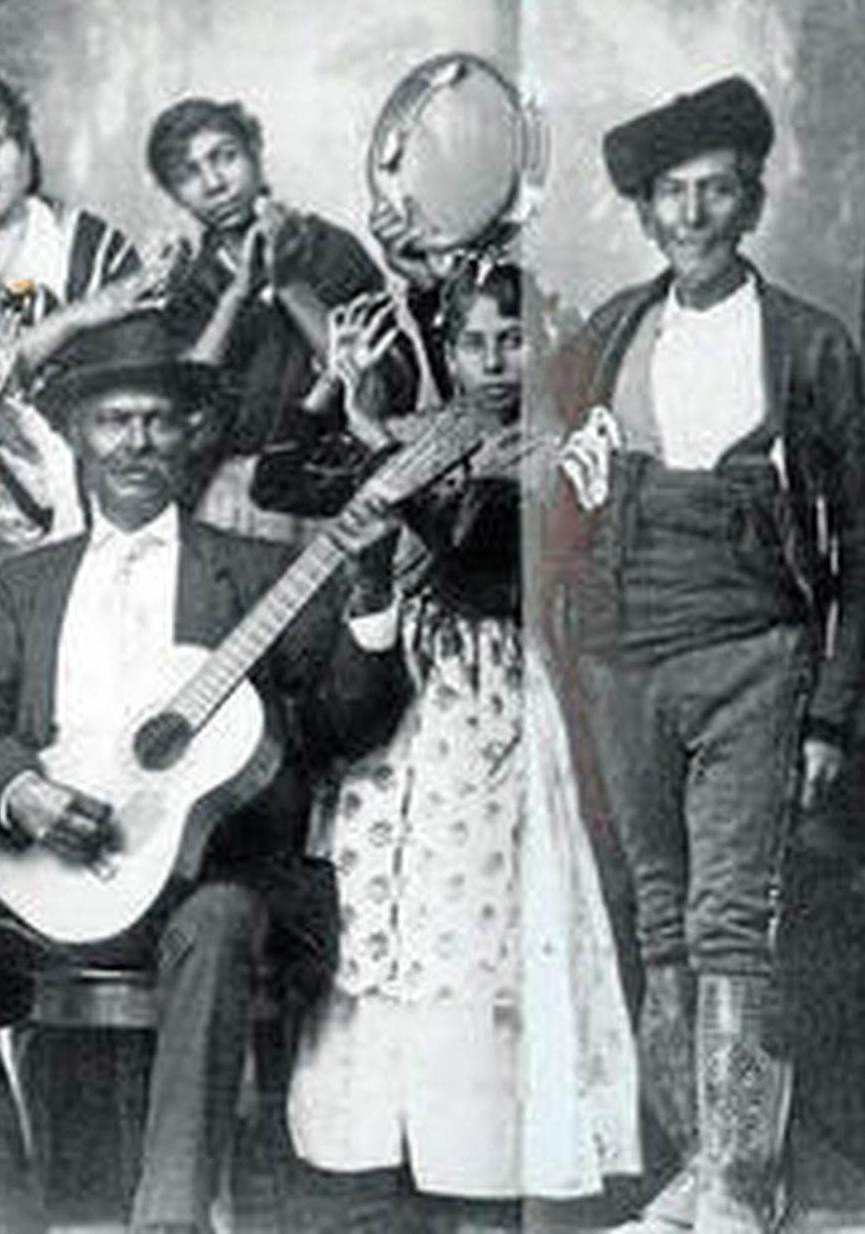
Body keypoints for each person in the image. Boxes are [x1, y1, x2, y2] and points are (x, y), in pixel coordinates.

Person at [0, 312, 405, 1233]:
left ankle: (171, 1219)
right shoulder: (20, 587)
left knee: (221, 919)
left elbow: (344, 725)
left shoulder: (262, 574)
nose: (136, 441)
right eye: (113, 420)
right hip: (45, 886)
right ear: (79, 436)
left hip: (207, 879)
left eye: (157, 421)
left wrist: (369, 595)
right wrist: (22, 792)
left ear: (191, 434)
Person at [546, 76, 865, 1233]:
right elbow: (535, 455)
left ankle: (742, 1182)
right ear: (644, 212)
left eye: (716, 192)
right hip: (624, 662)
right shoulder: (607, 336)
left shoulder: (806, 344)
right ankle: (696, 1164)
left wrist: (828, 712)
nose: (691, 214)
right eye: (671, 194)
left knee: (731, 916)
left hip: (753, 657)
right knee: (659, 913)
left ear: (750, 204)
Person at [285, 261, 639, 1229]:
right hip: (401, 677)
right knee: (378, 899)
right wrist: (349, 400)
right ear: (445, 349)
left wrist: (375, 447)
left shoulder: (560, 447)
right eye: (472, 342)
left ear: (540, 343)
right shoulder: (426, 432)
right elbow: (282, 478)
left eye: (511, 339)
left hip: (489, 691)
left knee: (473, 911)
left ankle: (474, 1159)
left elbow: (480, 557)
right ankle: (374, 1146)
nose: (492, 360)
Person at [0, 71, 173, 609]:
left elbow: (145, 378)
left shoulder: (94, 246)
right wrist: (76, 319)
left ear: (25, 148)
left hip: (96, 495)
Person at [146, 97, 387, 540]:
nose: (214, 183)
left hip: (334, 482)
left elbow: (378, 388)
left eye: (225, 157)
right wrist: (235, 296)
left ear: (254, 149)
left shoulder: (333, 249)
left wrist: (291, 283)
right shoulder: (190, 287)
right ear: (173, 194)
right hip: (230, 498)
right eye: (188, 174)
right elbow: (182, 412)